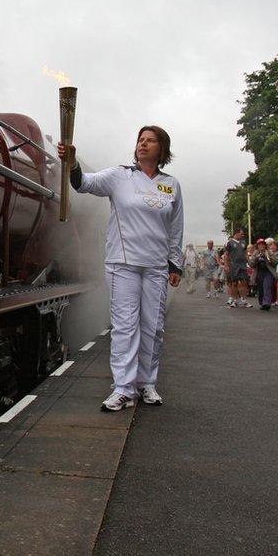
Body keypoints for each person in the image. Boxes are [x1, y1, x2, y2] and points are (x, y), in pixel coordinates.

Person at [58, 125, 183, 411]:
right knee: (126, 326)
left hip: (155, 266)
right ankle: (123, 389)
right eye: (140, 140)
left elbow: (176, 227)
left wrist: (175, 263)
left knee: (153, 327)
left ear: (162, 150)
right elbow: (83, 183)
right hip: (123, 264)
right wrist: (72, 162)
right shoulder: (119, 176)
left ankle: (147, 384)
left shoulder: (171, 185)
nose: (143, 144)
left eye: (150, 141)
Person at [225, 229, 251, 308]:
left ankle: (244, 300)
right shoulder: (230, 243)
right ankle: (234, 300)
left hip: (242, 265)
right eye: (241, 234)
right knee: (234, 283)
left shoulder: (243, 242)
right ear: (236, 233)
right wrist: (226, 265)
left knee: (244, 282)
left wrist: (250, 262)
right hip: (234, 266)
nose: (242, 235)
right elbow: (227, 255)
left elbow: (246, 253)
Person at [249, 239, 277, 310]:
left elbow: (275, 262)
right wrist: (257, 258)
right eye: (259, 244)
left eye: (262, 244)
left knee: (267, 286)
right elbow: (251, 264)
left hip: (268, 272)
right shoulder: (255, 253)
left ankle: (267, 303)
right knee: (261, 289)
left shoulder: (269, 252)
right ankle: (262, 303)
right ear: (257, 246)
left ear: (265, 245)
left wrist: (266, 257)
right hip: (259, 272)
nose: (261, 246)